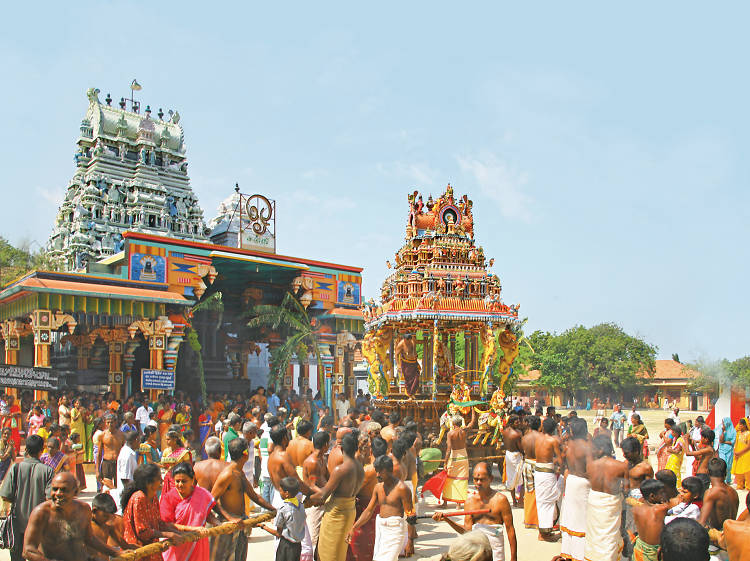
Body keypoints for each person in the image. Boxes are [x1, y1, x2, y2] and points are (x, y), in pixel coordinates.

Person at [23, 472, 121, 561]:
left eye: (64, 490)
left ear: (75, 492)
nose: (58, 494)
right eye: (55, 489)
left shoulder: (83, 509)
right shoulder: (41, 513)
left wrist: (116, 553)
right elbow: (28, 550)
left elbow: (89, 538)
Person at [433, 462, 517, 561]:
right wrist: (447, 520)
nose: (478, 483)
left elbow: (510, 530)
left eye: (482, 480)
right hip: (478, 553)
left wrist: (513, 558)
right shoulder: (470, 502)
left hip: (496, 550)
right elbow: (467, 532)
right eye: (476, 479)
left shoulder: (501, 500)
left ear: (491, 479)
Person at [211, 437, 275, 561]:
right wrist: (229, 518)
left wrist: (272, 509)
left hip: (241, 523)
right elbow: (211, 500)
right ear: (245, 454)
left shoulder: (239, 472)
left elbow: (253, 495)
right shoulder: (228, 474)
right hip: (229, 524)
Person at [310, 431, 365, 561]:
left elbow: (323, 495)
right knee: (339, 551)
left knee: (328, 553)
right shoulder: (360, 467)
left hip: (337, 513)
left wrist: (304, 499)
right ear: (356, 448)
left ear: (340, 448)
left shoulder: (340, 470)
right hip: (350, 511)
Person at [347, 454, 414, 561]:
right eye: (376, 471)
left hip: (395, 530)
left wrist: (410, 541)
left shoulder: (402, 489)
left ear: (390, 470)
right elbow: (369, 511)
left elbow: (411, 516)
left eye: (380, 471)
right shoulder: (378, 488)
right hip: (381, 530)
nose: (377, 475)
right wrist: (354, 527)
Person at [0, 434, 54, 561]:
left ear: (26, 450)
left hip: (17, 525)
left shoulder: (16, 468)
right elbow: (50, 499)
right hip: (39, 526)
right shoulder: (48, 471)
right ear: (42, 450)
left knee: (17, 557)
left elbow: (5, 495)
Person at [121, 464, 187, 561]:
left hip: (151, 551)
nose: (162, 480)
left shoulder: (154, 496)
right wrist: (168, 535)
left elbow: (158, 523)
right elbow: (143, 532)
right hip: (138, 552)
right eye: (158, 478)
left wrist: (178, 533)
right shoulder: (139, 498)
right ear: (149, 483)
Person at [160, 462, 216, 561]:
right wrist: (192, 529)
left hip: (198, 543)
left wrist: (218, 523)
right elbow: (167, 524)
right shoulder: (168, 498)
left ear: (192, 479)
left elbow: (206, 514)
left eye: (184, 481)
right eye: (177, 481)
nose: (180, 485)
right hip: (177, 542)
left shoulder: (202, 494)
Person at [584, 434, 628, 561]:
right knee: (610, 534)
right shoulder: (621, 466)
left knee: (594, 534)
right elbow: (626, 489)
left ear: (601, 448)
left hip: (594, 501)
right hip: (611, 503)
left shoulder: (591, 465)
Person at [560, 418, 592, 560]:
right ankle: (580, 553)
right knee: (582, 517)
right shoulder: (587, 447)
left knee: (571, 514)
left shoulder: (567, 446)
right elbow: (591, 470)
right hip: (583, 482)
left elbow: (562, 465)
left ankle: (569, 550)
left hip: (571, 480)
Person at [260, 477, 307, 561]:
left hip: (286, 546)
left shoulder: (283, 509)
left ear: (287, 493)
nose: (280, 493)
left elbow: (278, 533)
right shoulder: (301, 506)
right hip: (297, 546)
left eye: (280, 491)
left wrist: (263, 526)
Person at [534, 417, 562, 541]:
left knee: (542, 501)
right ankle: (544, 534)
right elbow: (560, 460)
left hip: (539, 471)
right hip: (546, 473)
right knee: (548, 502)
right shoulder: (552, 441)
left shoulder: (537, 438)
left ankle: (545, 531)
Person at [631, 478, 670, 561]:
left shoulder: (636, 509)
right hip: (653, 551)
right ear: (652, 496)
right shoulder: (661, 509)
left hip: (639, 548)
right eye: (661, 493)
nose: (663, 495)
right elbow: (667, 504)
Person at [89, 493, 132, 560]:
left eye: (109, 517)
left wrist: (145, 548)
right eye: (105, 516)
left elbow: (124, 545)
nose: (107, 519)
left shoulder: (107, 527)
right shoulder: (86, 526)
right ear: (94, 511)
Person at [444, 413, 471, 506]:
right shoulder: (464, 431)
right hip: (464, 456)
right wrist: (473, 410)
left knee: (449, 478)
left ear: (453, 423)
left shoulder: (450, 433)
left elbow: (448, 449)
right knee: (461, 479)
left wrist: (445, 463)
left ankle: (445, 502)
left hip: (454, 457)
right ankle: (458, 504)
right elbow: (472, 422)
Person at [520, 415, 540, 529]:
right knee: (539, 492)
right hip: (538, 464)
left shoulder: (524, 438)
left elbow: (523, 451)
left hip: (527, 463)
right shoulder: (541, 437)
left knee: (529, 491)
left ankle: (529, 519)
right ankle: (537, 519)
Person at [502, 415, 523, 508]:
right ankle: (521, 501)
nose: (519, 423)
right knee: (521, 478)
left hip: (508, 455)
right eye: (517, 422)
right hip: (516, 456)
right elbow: (520, 448)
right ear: (511, 423)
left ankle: (514, 501)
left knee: (511, 478)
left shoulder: (505, 432)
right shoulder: (516, 434)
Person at [97, 414, 124, 489]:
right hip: (106, 463)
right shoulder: (102, 435)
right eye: (108, 422)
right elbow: (99, 454)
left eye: (111, 422)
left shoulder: (121, 435)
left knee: (118, 486)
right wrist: (97, 470)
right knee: (106, 486)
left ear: (115, 422)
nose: (110, 424)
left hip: (117, 463)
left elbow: (124, 450)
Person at [716, 417, 736, 484]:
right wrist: (723, 432)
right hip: (722, 450)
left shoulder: (733, 431)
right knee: (723, 464)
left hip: (729, 450)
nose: (723, 424)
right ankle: (722, 480)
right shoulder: (722, 430)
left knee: (729, 465)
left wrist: (725, 442)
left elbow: (732, 442)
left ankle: (728, 479)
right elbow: (721, 440)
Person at [733, 418, 750, 489]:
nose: (739, 426)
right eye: (739, 424)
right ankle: (740, 485)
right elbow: (735, 444)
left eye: (741, 425)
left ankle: (748, 486)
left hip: (746, 454)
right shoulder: (738, 433)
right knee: (738, 470)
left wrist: (740, 452)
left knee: (747, 470)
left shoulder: (748, 433)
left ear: (745, 425)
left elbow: (749, 446)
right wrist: (735, 452)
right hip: (738, 454)